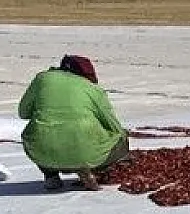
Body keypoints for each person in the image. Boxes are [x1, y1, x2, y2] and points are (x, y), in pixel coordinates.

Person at [18, 55, 130, 191]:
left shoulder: (42, 79)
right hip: (85, 152)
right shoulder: (93, 89)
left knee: (35, 136)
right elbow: (111, 123)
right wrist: (122, 137)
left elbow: (23, 113)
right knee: (121, 140)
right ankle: (86, 168)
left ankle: (51, 176)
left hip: (42, 151)